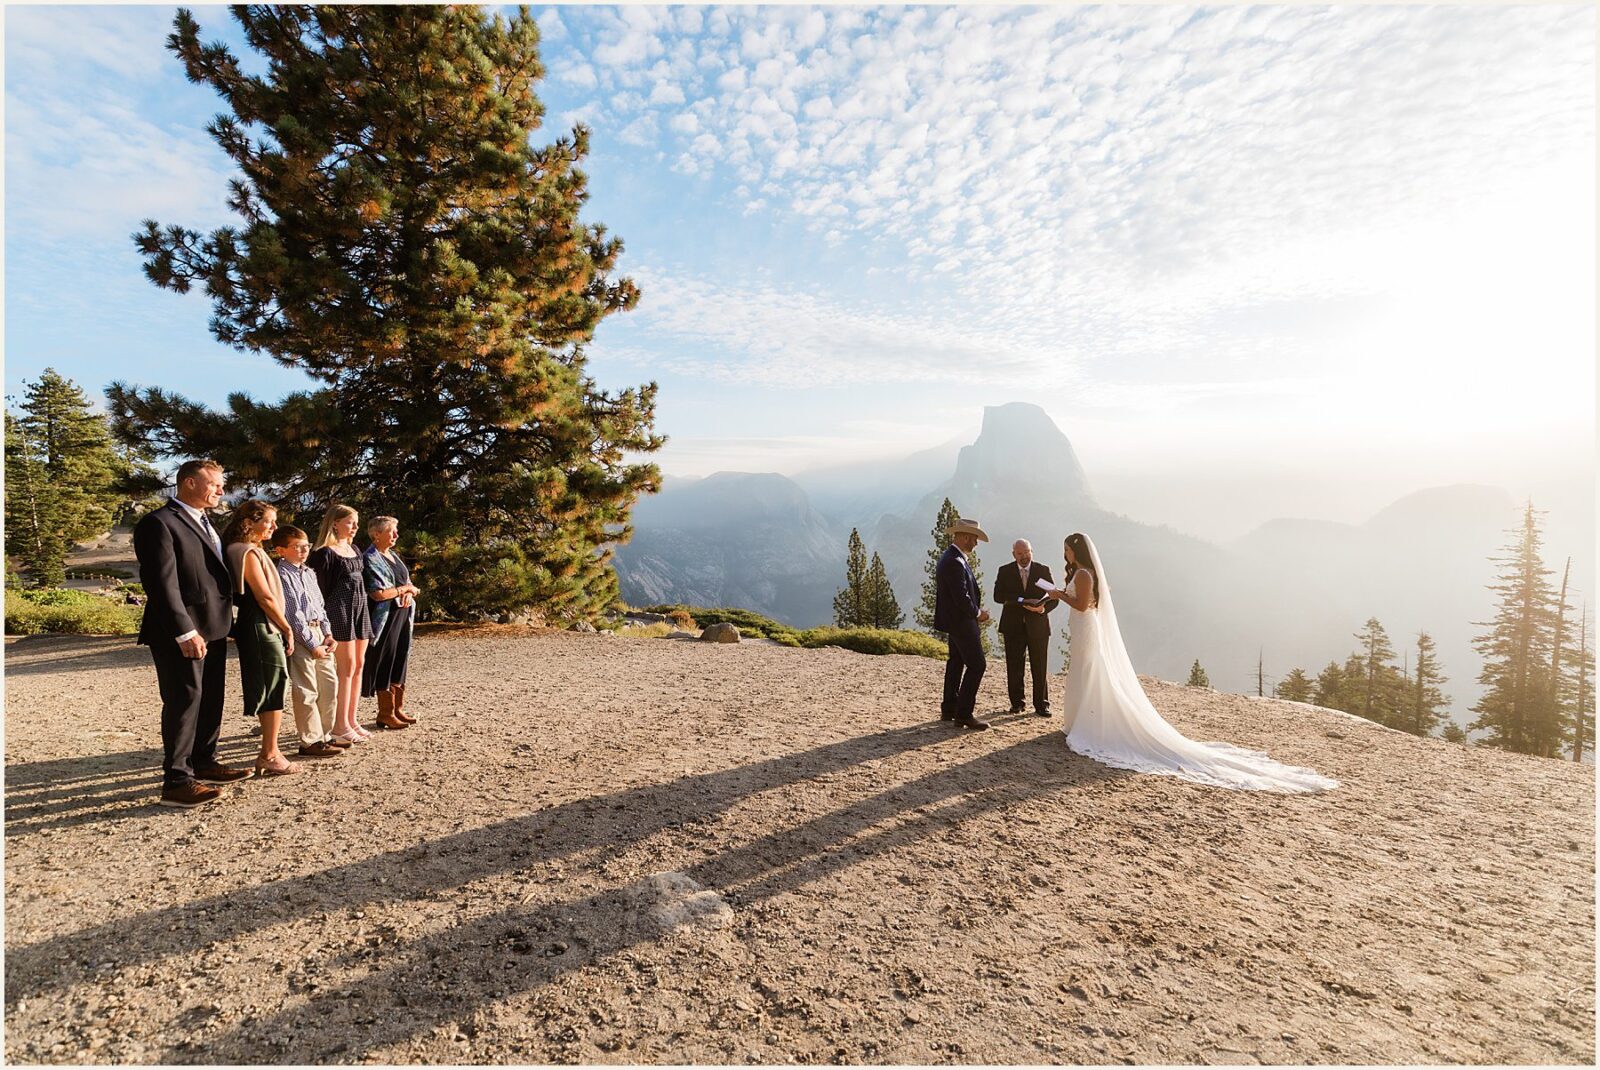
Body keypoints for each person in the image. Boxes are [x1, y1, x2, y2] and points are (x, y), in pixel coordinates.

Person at [1046, 532, 1338, 792]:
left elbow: (1084, 605)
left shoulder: (1083, 575)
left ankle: (1089, 724)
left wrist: (1058, 594)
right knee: (1082, 672)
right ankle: (1082, 721)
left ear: (1076, 549)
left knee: (1089, 672)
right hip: (1082, 627)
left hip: (1086, 627)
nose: (1065, 554)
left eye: (1067, 549)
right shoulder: (1082, 572)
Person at [134, 459, 254, 807]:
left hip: (214, 627)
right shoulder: (159, 523)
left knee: (211, 698)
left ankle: (203, 761)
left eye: (221, 484)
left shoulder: (206, 522)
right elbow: (161, 584)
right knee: (184, 701)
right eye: (214, 483)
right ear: (188, 483)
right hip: (182, 632)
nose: (221, 490)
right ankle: (176, 781)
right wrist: (184, 631)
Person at [221, 500, 301, 777]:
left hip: (259, 622)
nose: (274, 527)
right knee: (273, 682)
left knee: (274, 681)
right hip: (260, 623)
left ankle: (271, 750)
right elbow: (264, 595)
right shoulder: (246, 552)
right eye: (269, 521)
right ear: (250, 522)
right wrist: (286, 627)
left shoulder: (243, 549)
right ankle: (269, 753)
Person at [272, 525, 345, 758]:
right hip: (302, 636)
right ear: (281, 550)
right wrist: (312, 644)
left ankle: (325, 734)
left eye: (306, 546)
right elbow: (293, 613)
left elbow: (319, 606)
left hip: (319, 633)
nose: (304, 550)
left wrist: (328, 634)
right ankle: (310, 740)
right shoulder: (282, 575)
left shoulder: (308, 572)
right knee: (307, 689)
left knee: (329, 685)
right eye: (297, 547)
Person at [309, 503, 374, 742]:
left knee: (358, 666)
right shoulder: (324, 553)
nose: (355, 526)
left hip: (359, 610)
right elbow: (318, 591)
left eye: (356, 522)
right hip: (338, 612)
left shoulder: (355, 549)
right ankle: (339, 725)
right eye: (350, 521)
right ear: (334, 523)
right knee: (344, 670)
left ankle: (351, 719)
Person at [934, 517, 993, 730]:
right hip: (962, 623)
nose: (976, 543)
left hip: (954, 622)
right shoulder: (954, 561)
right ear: (966, 537)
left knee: (956, 662)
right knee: (977, 665)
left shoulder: (951, 558)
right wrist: (978, 614)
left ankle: (949, 708)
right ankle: (964, 713)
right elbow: (961, 597)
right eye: (975, 539)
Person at [361, 516, 420, 730]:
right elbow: (378, 593)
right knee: (386, 659)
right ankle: (385, 712)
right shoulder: (370, 558)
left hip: (404, 615)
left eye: (396, 531)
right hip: (385, 618)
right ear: (377, 534)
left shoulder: (394, 556)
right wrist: (404, 590)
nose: (396, 535)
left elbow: (408, 584)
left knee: (401, 658)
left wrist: (409, 592)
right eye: (391, 531)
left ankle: (397, 708)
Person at [993, 538, 1058, 717]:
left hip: (1038, 626)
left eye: (1027, 552)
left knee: (1040, 666)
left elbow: (1054, 596)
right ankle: (1017, 703)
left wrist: (1043, 609)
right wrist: (1022, 601)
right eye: (1020, 554)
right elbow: (998, 596)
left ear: (1032, 551)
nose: (1024, 557)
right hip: (1012, 626)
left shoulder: (1042, 571)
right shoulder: (1004, 571)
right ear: (1014, 554)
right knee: (1014, 666)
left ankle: (1041, 704)